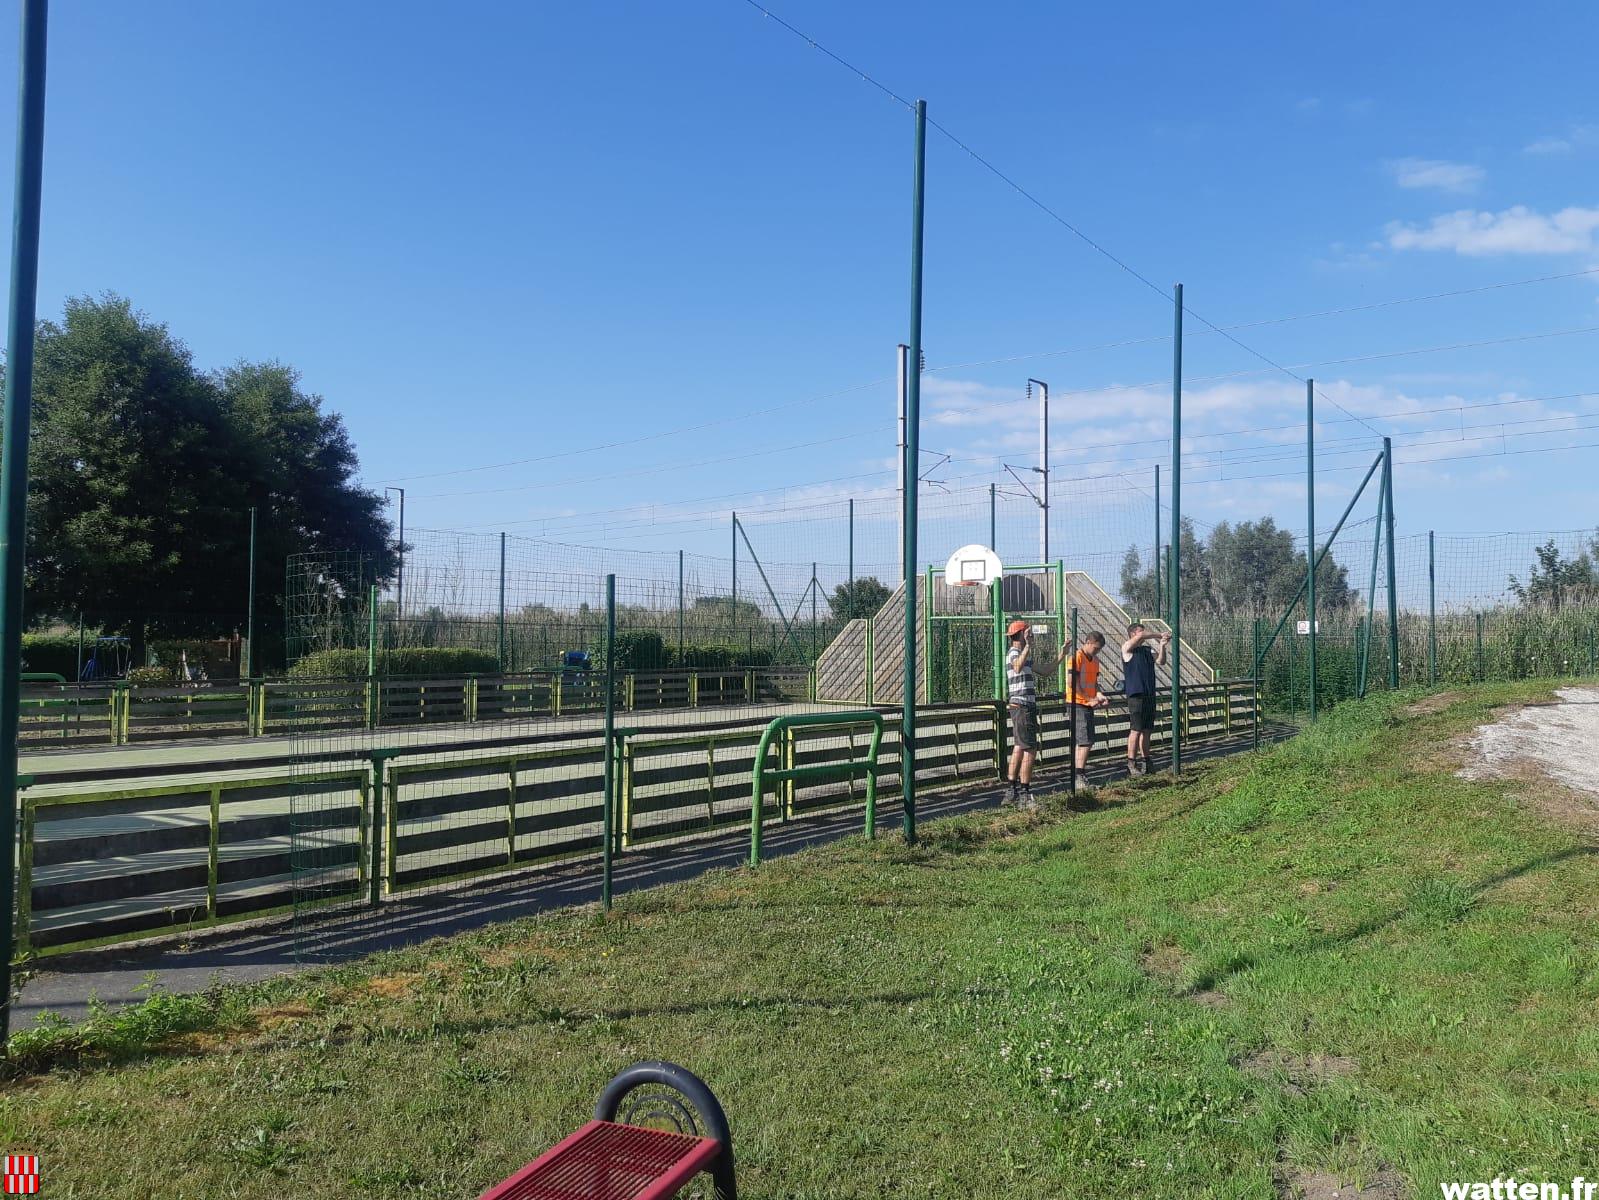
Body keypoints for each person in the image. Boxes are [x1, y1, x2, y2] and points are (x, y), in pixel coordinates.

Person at [1121, 622, 1170, 776]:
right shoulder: (1127, 648)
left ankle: (1146, 761)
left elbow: (1161, 661)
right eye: (1141, 631)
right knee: (1136, 729)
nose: (1144, 634)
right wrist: (1159, 634)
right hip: (1136, 695)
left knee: (1147, 730)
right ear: (1133, 634)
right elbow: (1142, 636)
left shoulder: (1147, 650)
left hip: (1149, 694)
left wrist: (1162, 645)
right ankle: (1131, 763)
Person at [1066, 632, 1110, 791]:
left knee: (1087, 740)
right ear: (1088, 642)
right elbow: (1072, 683)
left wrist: (1099, 695)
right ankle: (1079, 777)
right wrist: (1087, 698)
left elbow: (1094, 683)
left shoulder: (1095, 660)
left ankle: (1080, 775)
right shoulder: (1076, 658)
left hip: (1088, 704)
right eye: (1096, 648)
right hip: (1077, 703)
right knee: (1085, 740)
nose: (1097, 652)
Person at [1004, 619, 1040, 807]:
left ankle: (1012, 789)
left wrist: (1062, 654)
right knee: (1029, 749)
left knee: (1019, 746)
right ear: (1022, 635)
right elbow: (1017, 666)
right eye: (1028, 634)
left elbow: (1045, 670)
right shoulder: (1014, 653)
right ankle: (1025, 792)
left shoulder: (1023, 655)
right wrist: (1029, 646)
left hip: (1024, 706)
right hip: (1022, 706)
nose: (1031, 637)